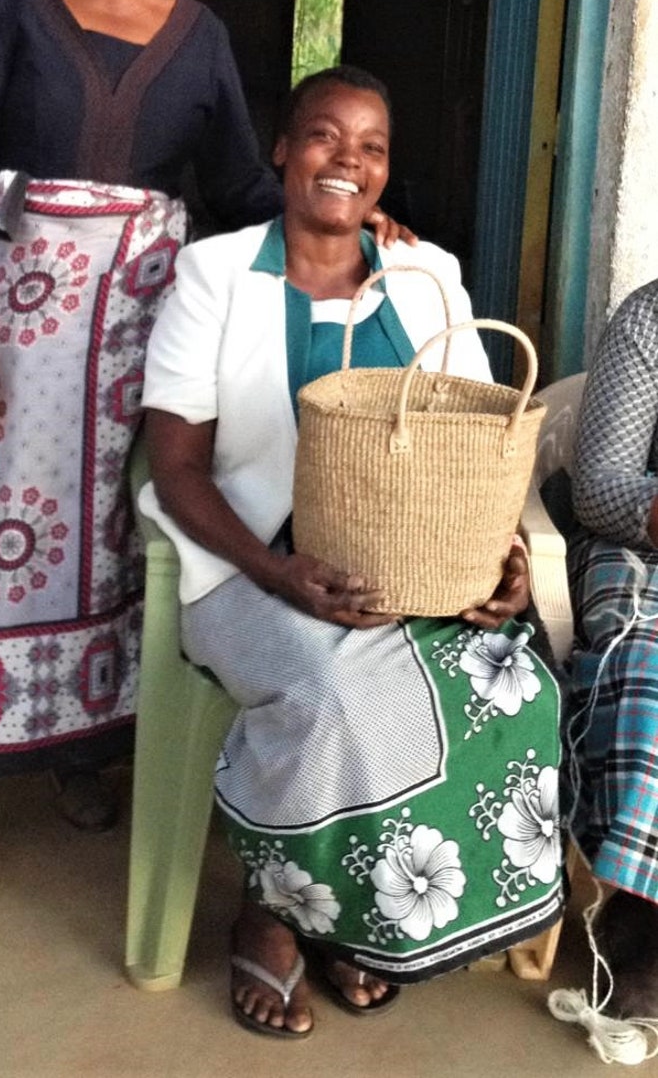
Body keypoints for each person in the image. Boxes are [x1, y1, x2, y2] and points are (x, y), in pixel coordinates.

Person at [0, 0, 410, 926]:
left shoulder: (199, 38)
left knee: (117, 555)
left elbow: (240, 187)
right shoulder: (12, 12)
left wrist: (353, 215)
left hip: (145, 335)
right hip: (18, 341)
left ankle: (81, 751)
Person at [140, 65, 564, 1038]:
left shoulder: (428, 277)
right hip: (248, 563)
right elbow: (177, 468)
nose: (348, 160)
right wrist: (277, 570)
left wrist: (493, 554)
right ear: (282, 151)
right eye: (325, 136)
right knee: (339, 692)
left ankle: (359, 916)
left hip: (403, 565)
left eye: (370, 146)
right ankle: (276, 910)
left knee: (513, 681)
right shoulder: (214, 275)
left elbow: (470, 450)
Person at [565, 277, 658, 1018]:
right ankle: (642, 915)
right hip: (645, 546)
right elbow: (598, 487)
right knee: (649, 668)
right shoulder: (649, 320)